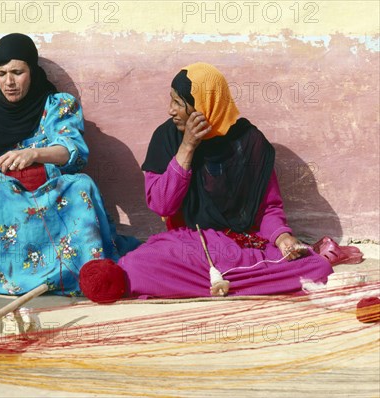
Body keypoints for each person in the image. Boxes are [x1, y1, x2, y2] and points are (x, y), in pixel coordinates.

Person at [79, 62, 341, 303]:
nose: (171, 110)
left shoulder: (249, 143)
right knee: (138, 265)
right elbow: (161, 205)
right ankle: (246, 282)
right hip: (188, 247)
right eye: (171, 100)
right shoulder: (167, 138)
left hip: (240, 245)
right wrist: (187, 147)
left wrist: (282, 238)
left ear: (206, 106)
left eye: (179, 103)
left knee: (314, 266)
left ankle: (215, 282)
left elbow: (268, 209)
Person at [0, 33, 137, 296]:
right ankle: (0, 276)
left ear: (33, 72)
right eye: (1, 73)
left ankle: (76, 273)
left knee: (81, 185)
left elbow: (74, 152)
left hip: (50, 193)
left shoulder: (57, 105)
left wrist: (35, 154)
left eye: (17, 72)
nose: (9, 82)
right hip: (5, 201)